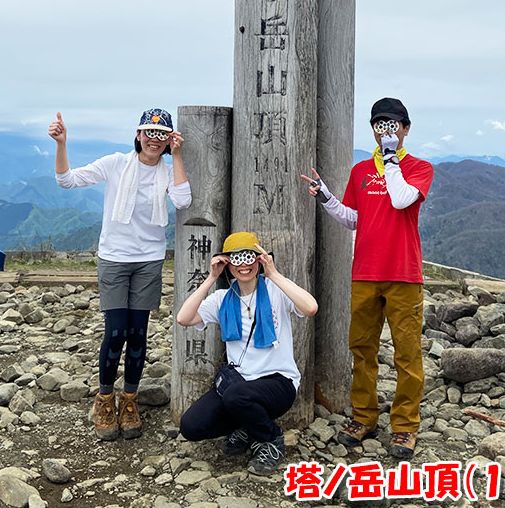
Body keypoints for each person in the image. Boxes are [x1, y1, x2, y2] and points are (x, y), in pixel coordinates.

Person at [300, 97, 433, 460]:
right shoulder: (360, 170)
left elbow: (402, 199)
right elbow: (353, 218)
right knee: (362, 349)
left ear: (406, 129)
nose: (385, 130)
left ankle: (405, 426)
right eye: (379, 124)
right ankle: (364, 417)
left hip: (404, 274)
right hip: (365, 272)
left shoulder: (419, 168)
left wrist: (391, 160)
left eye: (392, 124)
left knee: (407, 354)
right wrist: (326, 198)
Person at [50, 108, 191, 440]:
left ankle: (130, 400)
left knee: (138, 334)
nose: (154, 141)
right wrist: (61, 143)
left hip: (149, 260)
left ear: (169, 140)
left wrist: (179, 155)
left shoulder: (169, 172)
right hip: (114, 259)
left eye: (162, 135)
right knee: (115, 332)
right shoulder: (115, 163)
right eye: (149, 133)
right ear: (138, 135)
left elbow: (183, 201)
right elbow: (66, 180)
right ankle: (104, 399)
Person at [176, 232, 318, 474]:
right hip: (239, 384)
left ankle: (271, 439)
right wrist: (211, 278)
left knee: (235, 396)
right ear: (227, 263)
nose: (244, 265)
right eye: (236, 259)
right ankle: (247, 426)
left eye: (249, 257)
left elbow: (310, 307)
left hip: (278, 382)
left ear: (258, 259)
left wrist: (272, 273)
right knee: (191, 426)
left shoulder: (275, 290)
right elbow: (183, 318)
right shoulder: (222, 299)